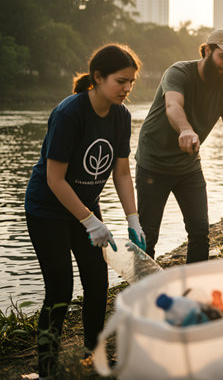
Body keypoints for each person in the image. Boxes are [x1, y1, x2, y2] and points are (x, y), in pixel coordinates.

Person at [24, 44, 146, 378]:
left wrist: (133, 218)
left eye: (131, 83)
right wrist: (90, 221)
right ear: (97, 77)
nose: (126, 89)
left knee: (97, 281)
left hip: (86, 207)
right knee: (60, 287)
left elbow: (121, 171)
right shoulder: (69, 114)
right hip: (47, 209)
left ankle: (94, 353)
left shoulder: (121, 116)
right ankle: (47, 366)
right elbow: (54, 179)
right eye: (121, 81)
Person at [135, 29, 223, 264]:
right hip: (153, 166)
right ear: (207, 50)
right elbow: (173, 105)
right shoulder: (179, 72)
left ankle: (196, 287)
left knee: (200, 232)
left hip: (188, 167)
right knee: (148, 236)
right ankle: (143, 288)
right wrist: (186, 130)